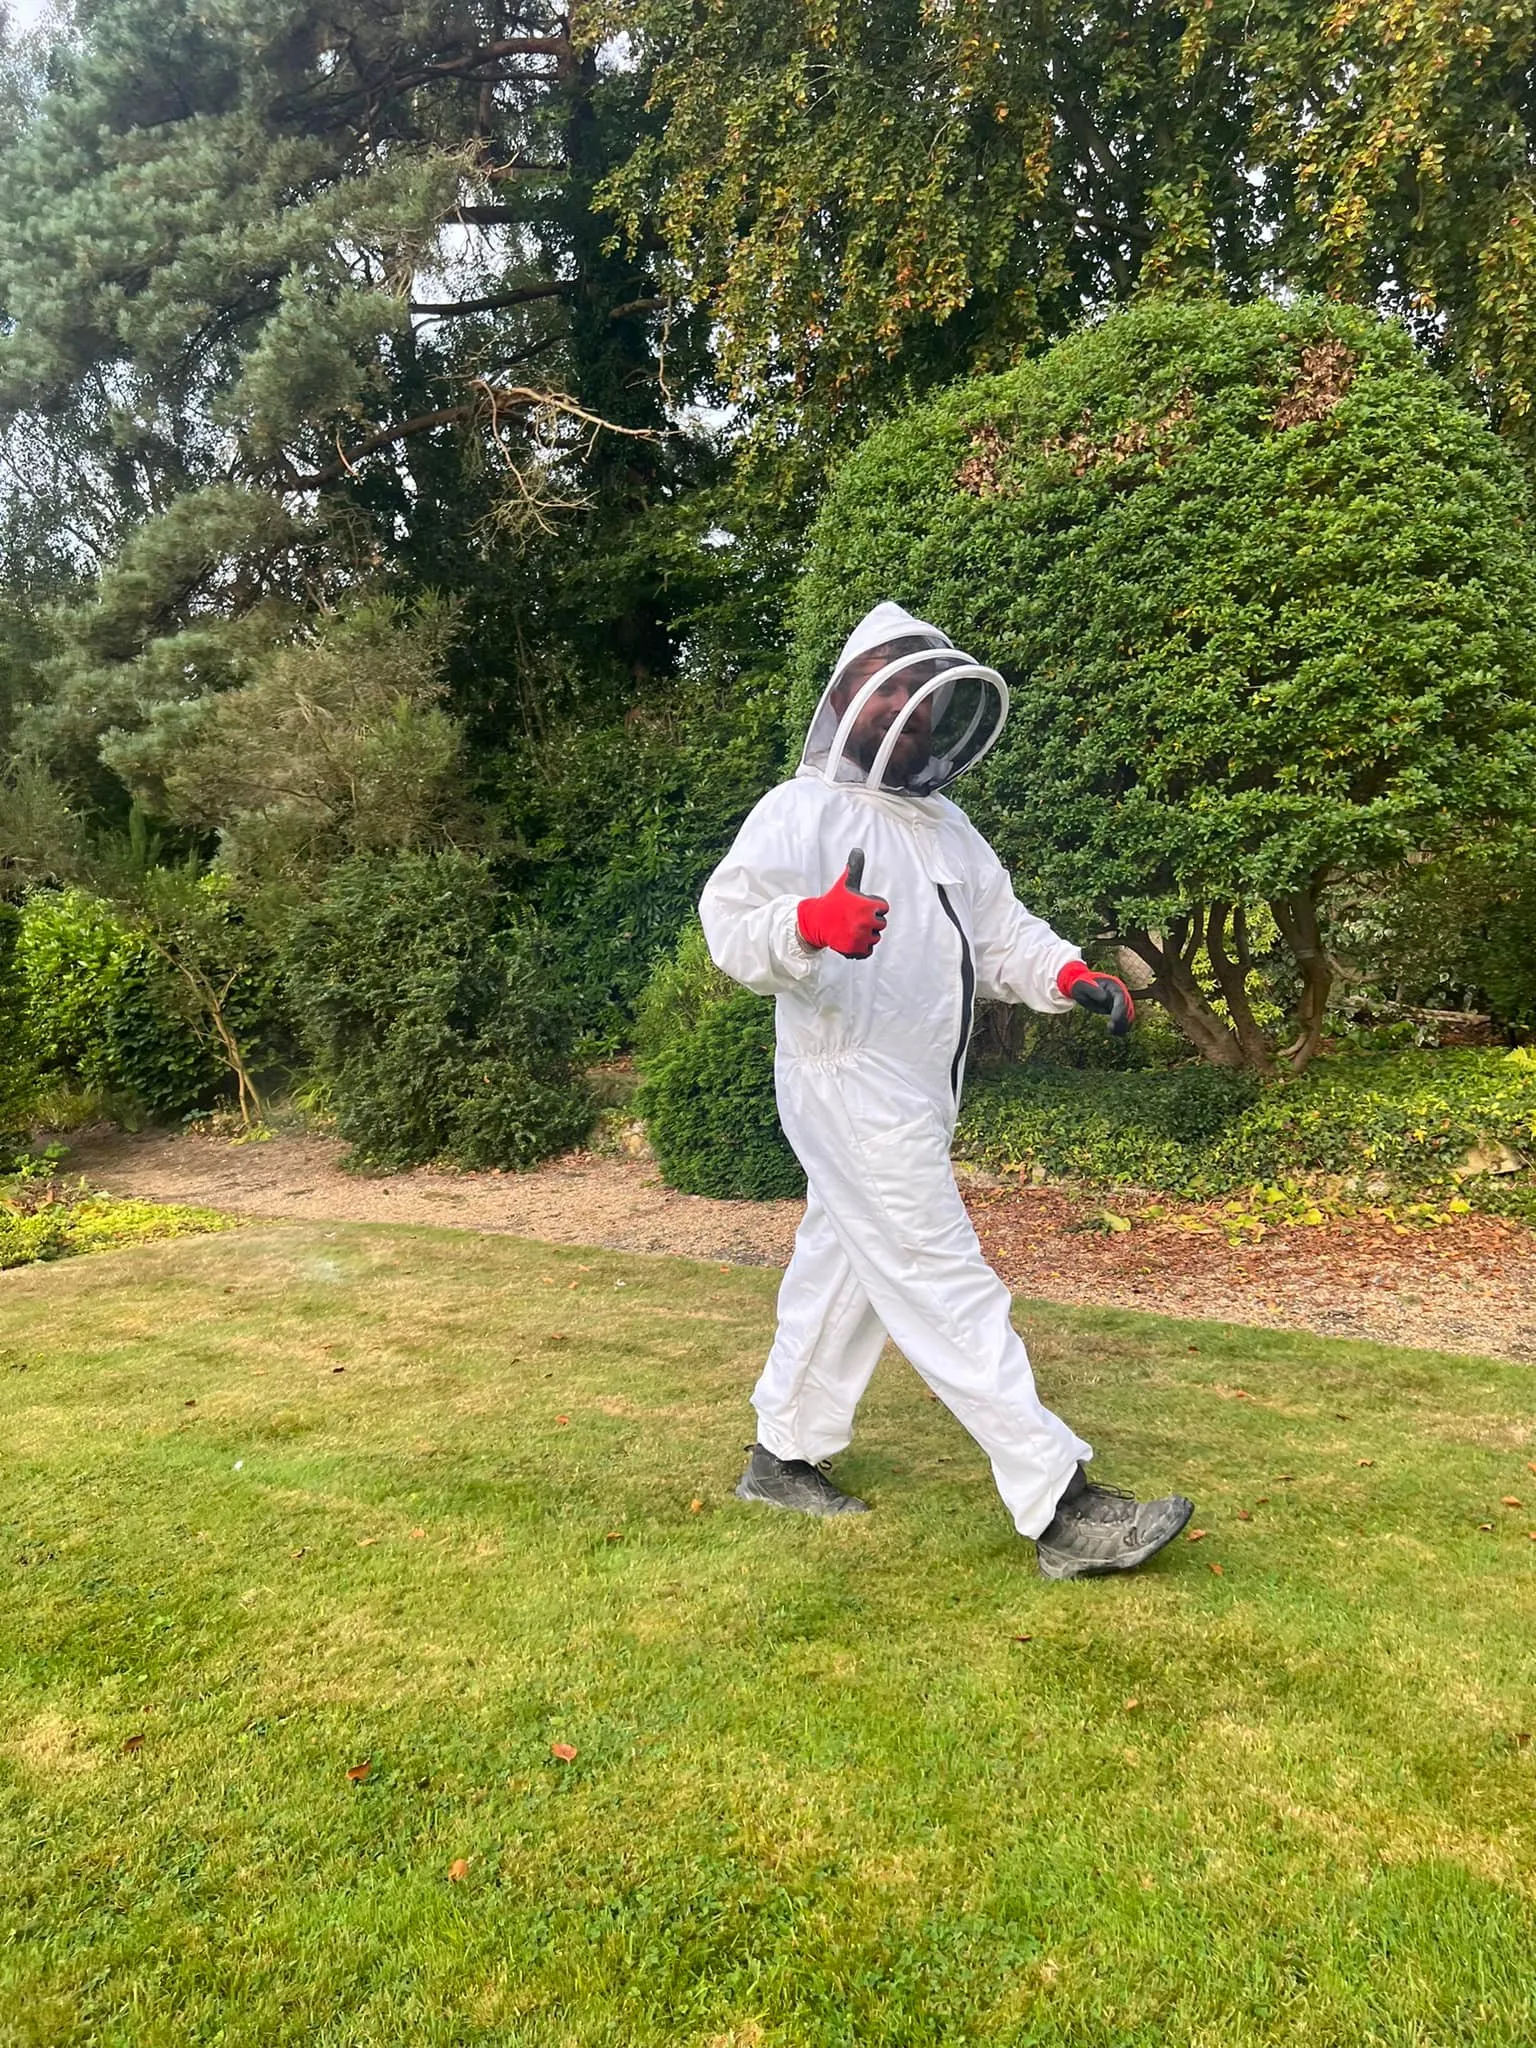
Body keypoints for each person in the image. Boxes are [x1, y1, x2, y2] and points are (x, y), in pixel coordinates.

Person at [699, 601, 1194, 1579]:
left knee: (842, 1268)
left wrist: (1064, 974)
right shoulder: (801, 811)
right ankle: (1061, 1504)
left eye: (914, 692)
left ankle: (781, 1453)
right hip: (842, 1079)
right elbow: (729, 924)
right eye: (882, 686)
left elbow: (1001, 932)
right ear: (844, 698)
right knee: (943, 1276)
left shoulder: (946, 828)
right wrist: (809, 922)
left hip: (914, 1092)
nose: (904, 709)